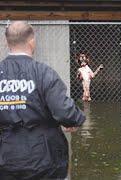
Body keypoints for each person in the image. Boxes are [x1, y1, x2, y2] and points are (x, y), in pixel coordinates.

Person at [0, 21, 86, 179]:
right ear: (32, 42)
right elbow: (64, 111)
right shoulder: (43, 73)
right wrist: (75, 119)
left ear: (7, 43)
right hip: (45, 158)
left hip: (6, 156)